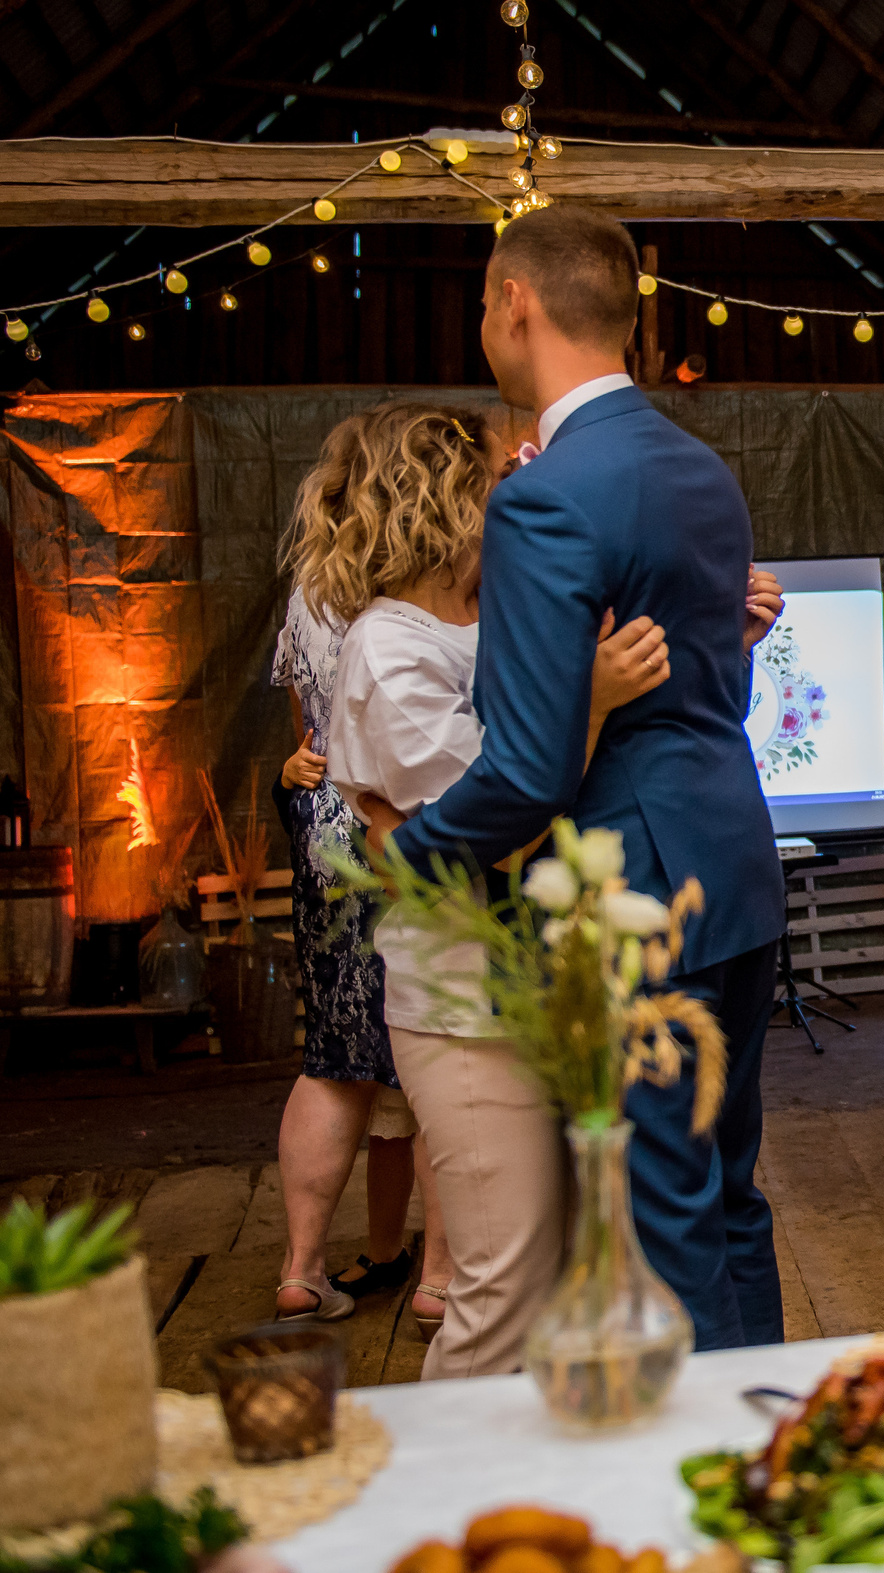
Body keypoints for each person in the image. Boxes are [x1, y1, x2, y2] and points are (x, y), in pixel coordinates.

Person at [389, 204, 791, 1348]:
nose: (482, 323)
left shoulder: (544, 494)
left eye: (480, 303)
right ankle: (769, 1447)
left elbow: (521, 768)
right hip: (734, 858)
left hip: (631, 893)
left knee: (661, 1221)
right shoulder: (702, 468)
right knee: (725, 1194)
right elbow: (717, 690)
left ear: (515, 300)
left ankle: (703, 1497)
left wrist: (407, 857)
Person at [315, 401, 670, 1375]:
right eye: (497, 481)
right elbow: (496, 821)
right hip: (466, 1002)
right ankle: (447, 1511)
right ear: (445, 498)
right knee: (499, 1288)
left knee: (561, 1277)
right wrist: (587, 700)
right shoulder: (388, 650)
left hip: (542, 989)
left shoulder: (489, 616)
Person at [272, 432, 454, 1330]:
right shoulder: (413, 589)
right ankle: (441, 1277)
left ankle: (308, 1266)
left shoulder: (308, 595)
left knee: (339, 1062)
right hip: (400, 832)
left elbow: (309, 737)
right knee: (431, 1058)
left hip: (326, 846)